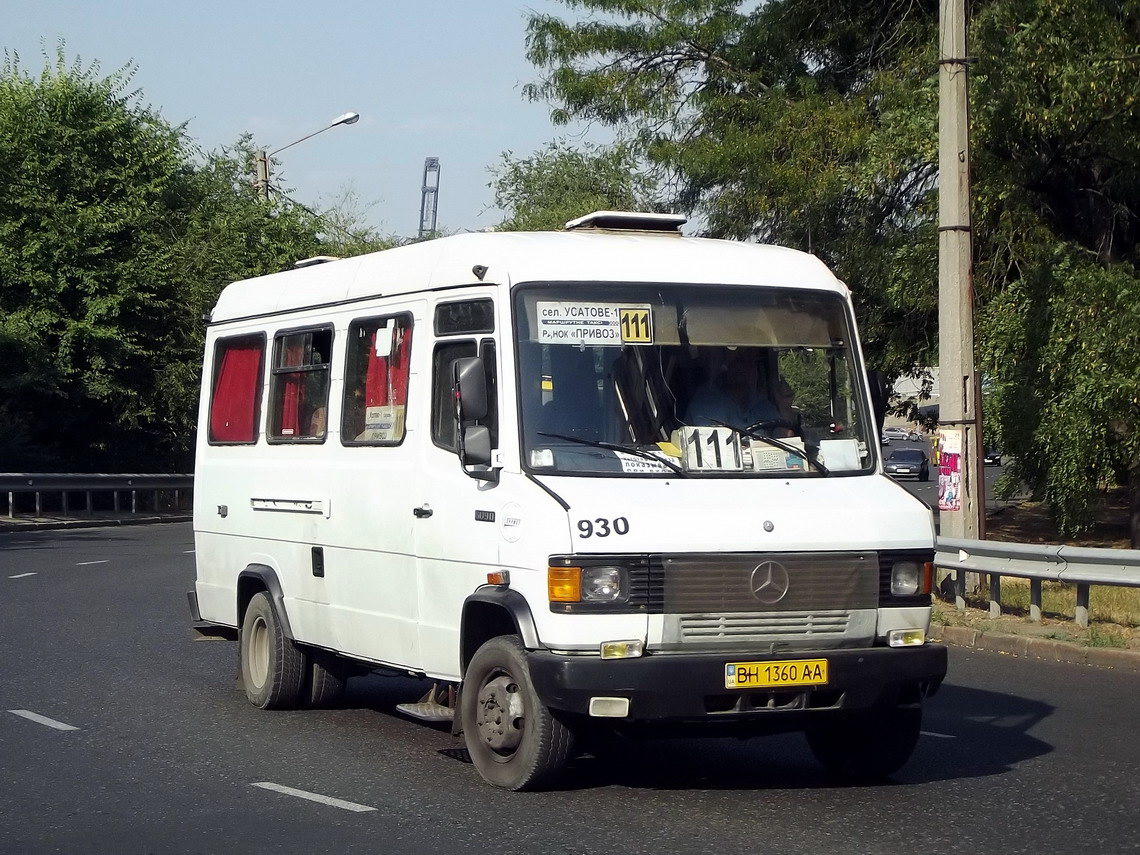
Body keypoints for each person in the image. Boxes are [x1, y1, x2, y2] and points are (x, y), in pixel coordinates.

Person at [683, 347, 796, 434]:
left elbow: (785, 438)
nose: (750, 368)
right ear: (726, 367)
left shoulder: (759, 402)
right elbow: (716, 447)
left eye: (753, 362)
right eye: (741, 361)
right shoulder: (708, 400)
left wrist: (784, 406)